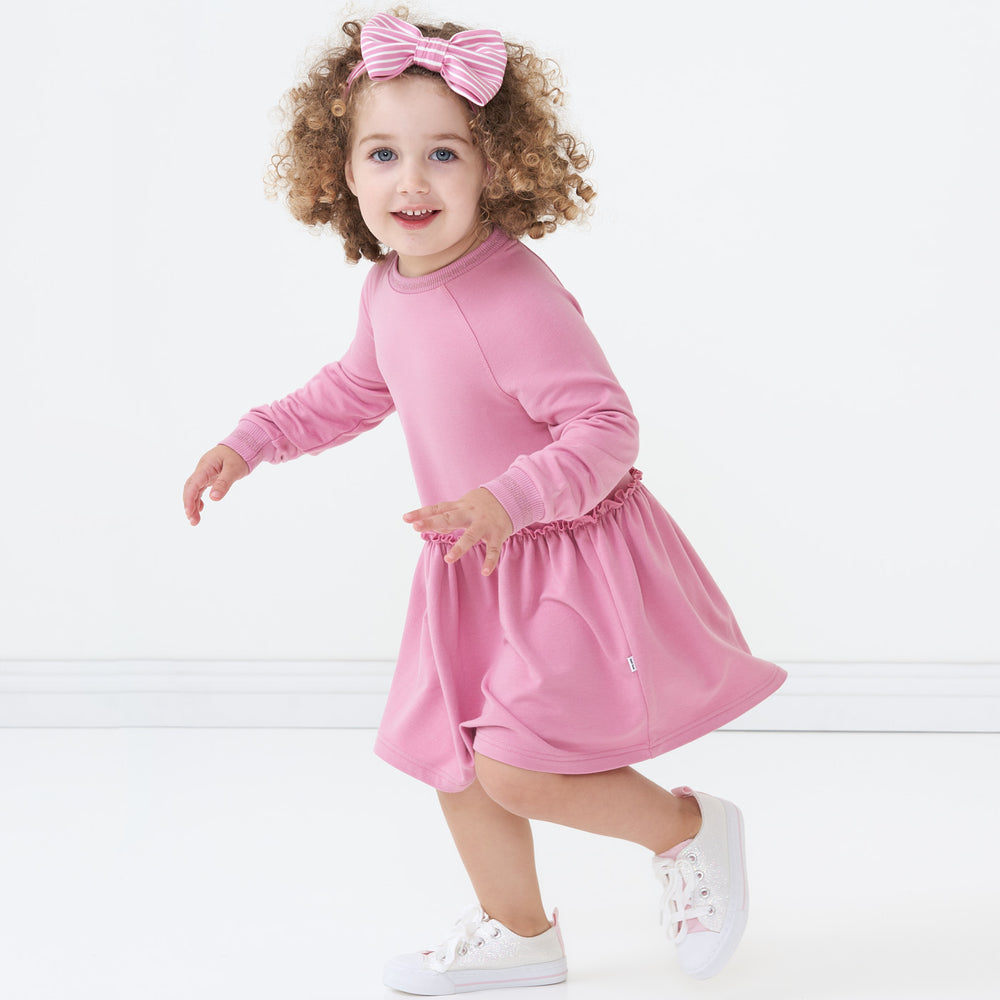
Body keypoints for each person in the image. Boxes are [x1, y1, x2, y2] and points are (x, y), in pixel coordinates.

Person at [182, 10, 787, 994]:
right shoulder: (389, 288)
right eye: (382, 152)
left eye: (443, 153)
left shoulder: (513, 295)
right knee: (455, 761)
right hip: (471, 564)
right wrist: (252, 438)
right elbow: (354, 388)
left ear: (494, 166)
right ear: (342, 169)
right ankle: (521, 932)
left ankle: (687, 828)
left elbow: (603, 429)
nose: (409, 182)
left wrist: (508, 498)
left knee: (516, 764)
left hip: (558, 558)